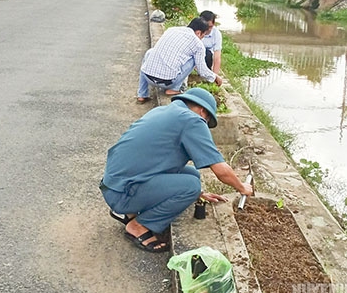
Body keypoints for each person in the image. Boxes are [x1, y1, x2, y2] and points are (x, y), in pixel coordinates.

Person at [100, 87, 253, 253]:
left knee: (192, 175)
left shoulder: (162, 111)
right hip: (122, 194)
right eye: (208, 121)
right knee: (190, 186)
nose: (205, 125)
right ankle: (138, 226)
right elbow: (220, 169)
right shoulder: (193, 121)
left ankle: (130, 212)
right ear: (203, 112)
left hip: (114, 184)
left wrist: (199, 194)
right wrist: (242, 187)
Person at [137, 17, 223, 103]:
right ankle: (174, 89)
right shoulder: (197, 44)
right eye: (203, 36)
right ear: (198, 33)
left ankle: (142, 95)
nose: (202, 39)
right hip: (167, 82)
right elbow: (202, 70)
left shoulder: (171, 30)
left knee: (150, 52)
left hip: (147, 76)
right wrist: (215, 77)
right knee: (193, 60)